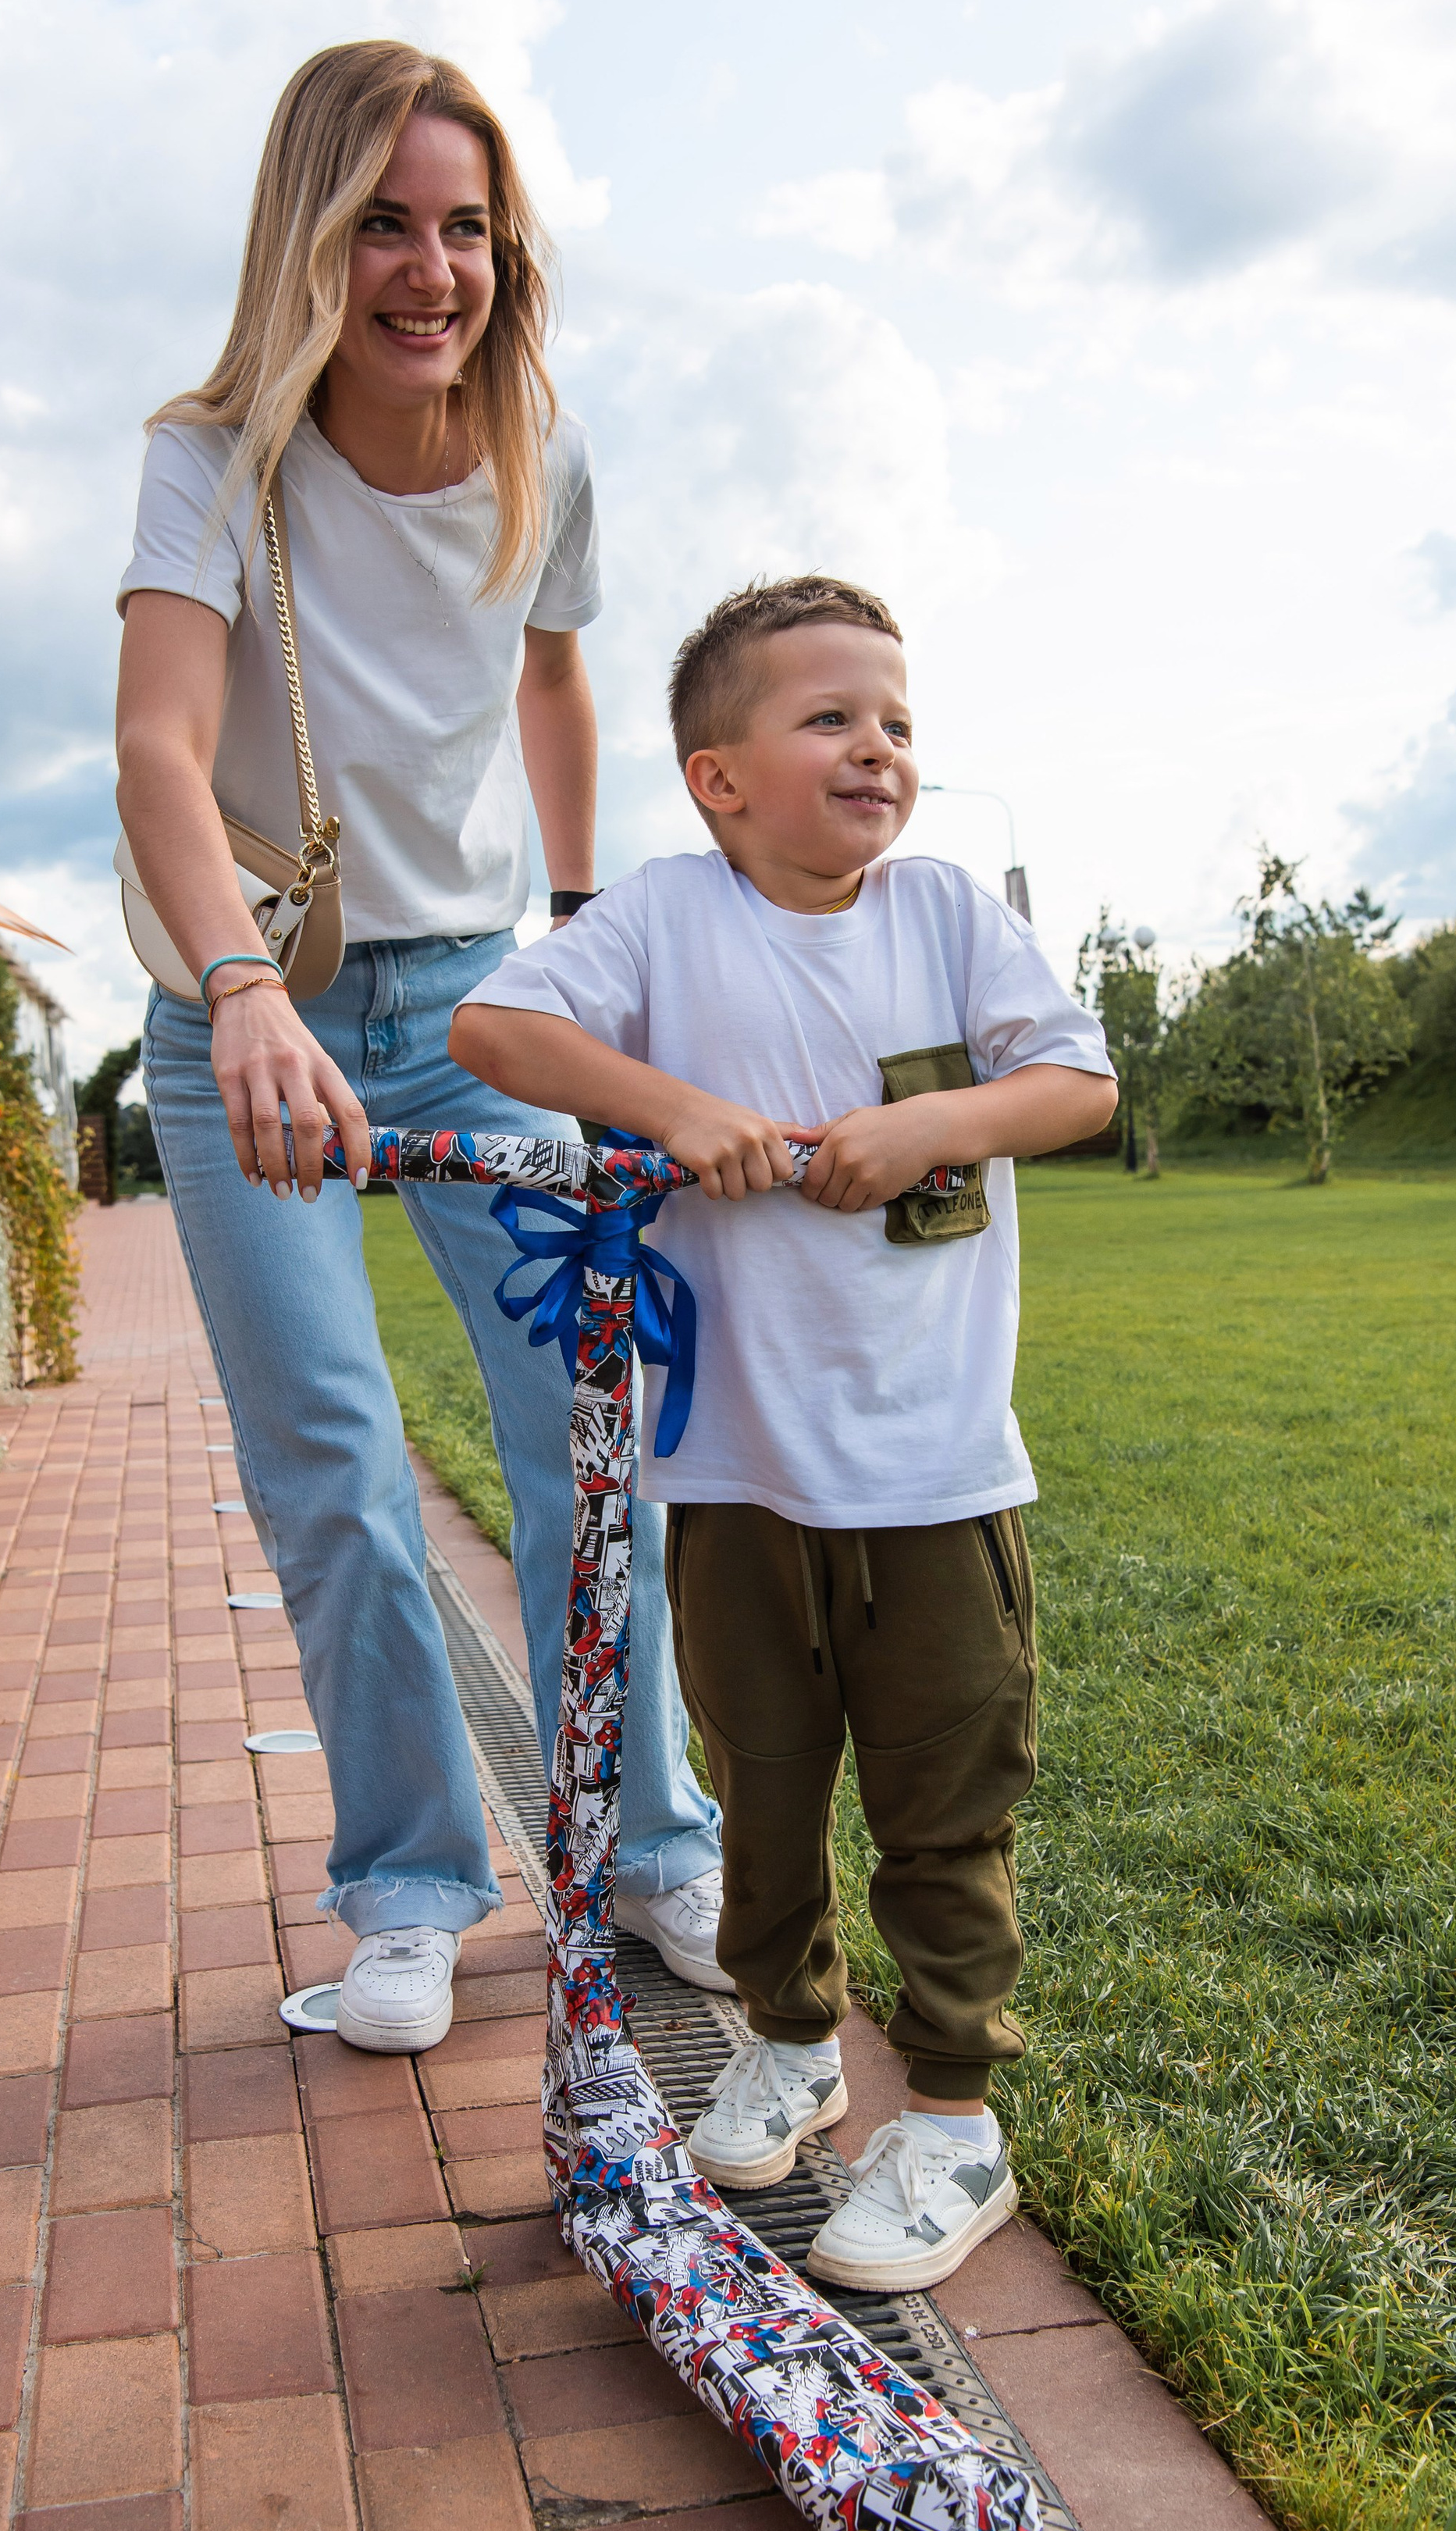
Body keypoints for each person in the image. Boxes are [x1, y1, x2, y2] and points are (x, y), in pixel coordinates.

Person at [115, 41, 722, 2058]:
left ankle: (649, 1847)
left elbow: (553, 681)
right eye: (384, 219)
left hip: (470, 1006)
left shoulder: (538, 444)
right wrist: (240, 988)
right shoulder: (210, 456)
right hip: (249, 1017)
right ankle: (407, 1881)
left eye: (466, 226)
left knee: (585, 1430)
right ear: (313, 231)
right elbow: (157, 750)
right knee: (337, 1456)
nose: (431, 266)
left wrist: (574, 917)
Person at [449, 576, 1117, 2290]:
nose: (876, 748)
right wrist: (672, 1107)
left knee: (941, 1806)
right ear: (717, 776)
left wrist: (930, 1125)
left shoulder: (946, 913)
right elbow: (492, 1026)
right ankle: (792, 2042)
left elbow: (1077, 1083)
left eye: (894, 720)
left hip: (933, 1472)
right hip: (737, 1476)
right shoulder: (668, 920)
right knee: (760, 1793)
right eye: (828, 717)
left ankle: (955, 2120)